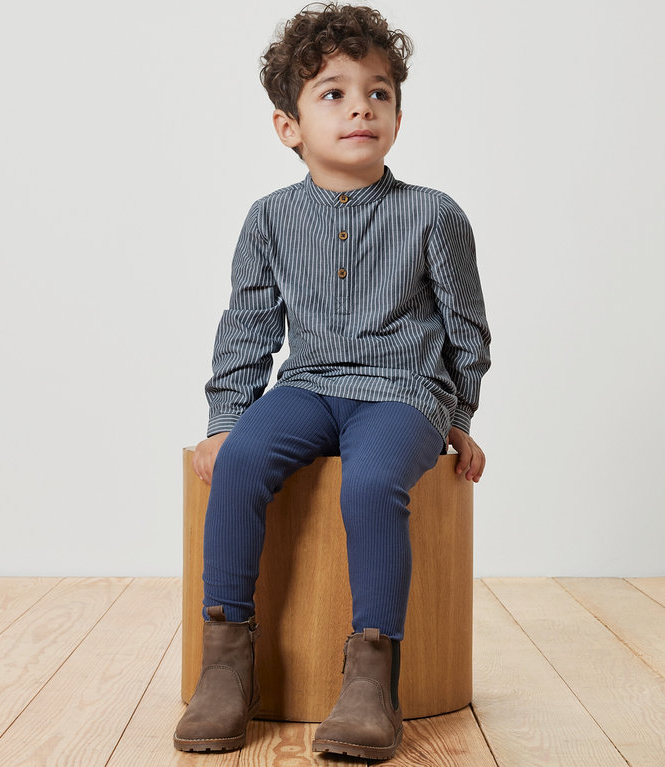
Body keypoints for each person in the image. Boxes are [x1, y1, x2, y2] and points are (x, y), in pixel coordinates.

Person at [174, 3, 490, 760]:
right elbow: (248, 326)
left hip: (403, 392)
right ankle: (226, 663)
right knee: (243, 460)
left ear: (399, 117)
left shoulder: (432, 215)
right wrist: (226, 420)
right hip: (308, 385)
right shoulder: (270, 218)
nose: (360, 107)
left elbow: (465, 328)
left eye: (378, 93)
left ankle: (371, 673)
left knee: (373, 479)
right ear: (289, 126)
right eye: (334, 93)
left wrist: (460, 414)